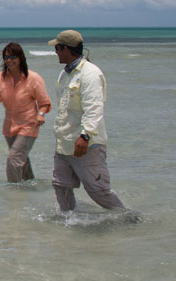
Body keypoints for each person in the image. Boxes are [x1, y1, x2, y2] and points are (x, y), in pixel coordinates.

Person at [47, 30, 126, 211]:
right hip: (64, 143)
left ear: (66, 48)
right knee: (61, 185)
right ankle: (69, 221)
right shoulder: (64, 74)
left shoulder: (91, 73)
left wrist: (85, 136)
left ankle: (129, 218)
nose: (55, 52)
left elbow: (94, 108)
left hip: (86, 145)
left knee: (98, 191)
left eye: (58, 48)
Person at [0, 43, 51, 184]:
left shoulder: (33, 78)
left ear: (21, 58)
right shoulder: (1, 77)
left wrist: (40, 114)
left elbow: (45, 103)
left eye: (13, 56)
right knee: (21, 161)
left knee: (14, 159)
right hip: (9, 128)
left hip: (29, 126)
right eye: (6, 57)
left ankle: (13, 195)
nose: (9, 60)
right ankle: (32, 188)